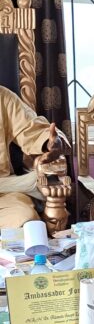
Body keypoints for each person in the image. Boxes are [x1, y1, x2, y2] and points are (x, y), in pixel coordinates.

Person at [0, 85, 66, 228]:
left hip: (4, 194)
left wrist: (51, 143)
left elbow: (33, 129)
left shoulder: (3, 97)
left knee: (26, 221)